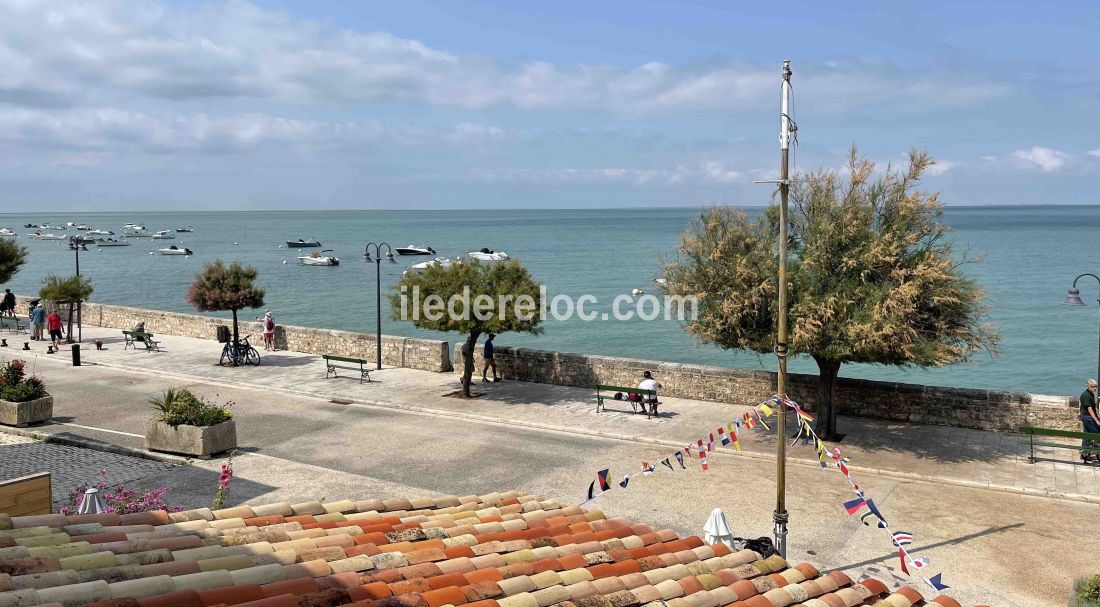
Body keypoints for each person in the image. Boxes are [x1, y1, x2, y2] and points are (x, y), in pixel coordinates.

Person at [1081, 379, 1100, 463]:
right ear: (1088, 386)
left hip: (1086, 417)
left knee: (1087, 435)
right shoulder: (1086, 395)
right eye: (1093, 387)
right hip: (1088, 417)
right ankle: (1097, 453)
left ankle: (1084, 454)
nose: (1095, 388)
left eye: (1096, 386)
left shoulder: (1091, 394)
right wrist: (1097, 421)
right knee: (1097, 434)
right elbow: (1090, 410)